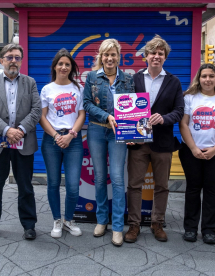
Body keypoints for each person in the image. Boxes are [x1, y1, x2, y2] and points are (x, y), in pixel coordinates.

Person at [124, 35, 184, 243]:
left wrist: (165, 118)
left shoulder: (173, 82)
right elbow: (126, 110)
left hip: (163, 142)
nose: (156, 56)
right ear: (146, 56)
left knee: (162, 185)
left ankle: (157, 223)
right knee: (134, 185)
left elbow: (179, 111)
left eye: (160, 53)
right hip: (138, 143)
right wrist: (128, 135)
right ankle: (134, 224)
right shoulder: (134, 79)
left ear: (165, 57)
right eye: (152, 53)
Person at [0, 44, 42, 241]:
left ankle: (29, 225)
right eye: (9, 57)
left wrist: (20, 130)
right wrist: (7, 131)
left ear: (21, 61)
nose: (13, 61)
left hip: (23, 142)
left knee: (25, 187)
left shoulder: (30, 82)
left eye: (17, 57)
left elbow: (36, 110)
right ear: (1, 60)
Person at [83, 38, 134, 247]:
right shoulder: (92, 77)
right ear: (101, 57)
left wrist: (134, 132)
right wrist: (106, 116)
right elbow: (86, 103)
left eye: (113, 54)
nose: (109, 58)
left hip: (119, 133)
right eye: (106, 54)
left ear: (118, 56)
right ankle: (102, 220)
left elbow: (134, 108)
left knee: (118, 178)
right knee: (100, 177)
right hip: (97, 130)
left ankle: (118, 227)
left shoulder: (128, 79)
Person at [179, 63, 215, 244]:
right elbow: (183, 124)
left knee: (211, 190)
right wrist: (194, 148)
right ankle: (190, 229)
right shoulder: (189, 98)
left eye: (211, 76)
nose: (208, 79)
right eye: (204, 76)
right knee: (193, 189)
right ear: (199, 78)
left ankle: (209, 230)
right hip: (190, 151)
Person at [39, 49, 85, 238]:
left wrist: (71, 134)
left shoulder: (78, 89)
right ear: (55, 67)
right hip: (51, 141)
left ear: (72, 68)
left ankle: (68, 219)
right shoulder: (47, 89)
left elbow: (82, 114)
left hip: (73, 140)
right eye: (61, 64)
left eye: (67, 64)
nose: (64, 67)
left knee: (73, 186)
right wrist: (56, 136)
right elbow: (41, 117)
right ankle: (57, 220)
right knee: (53, 183)